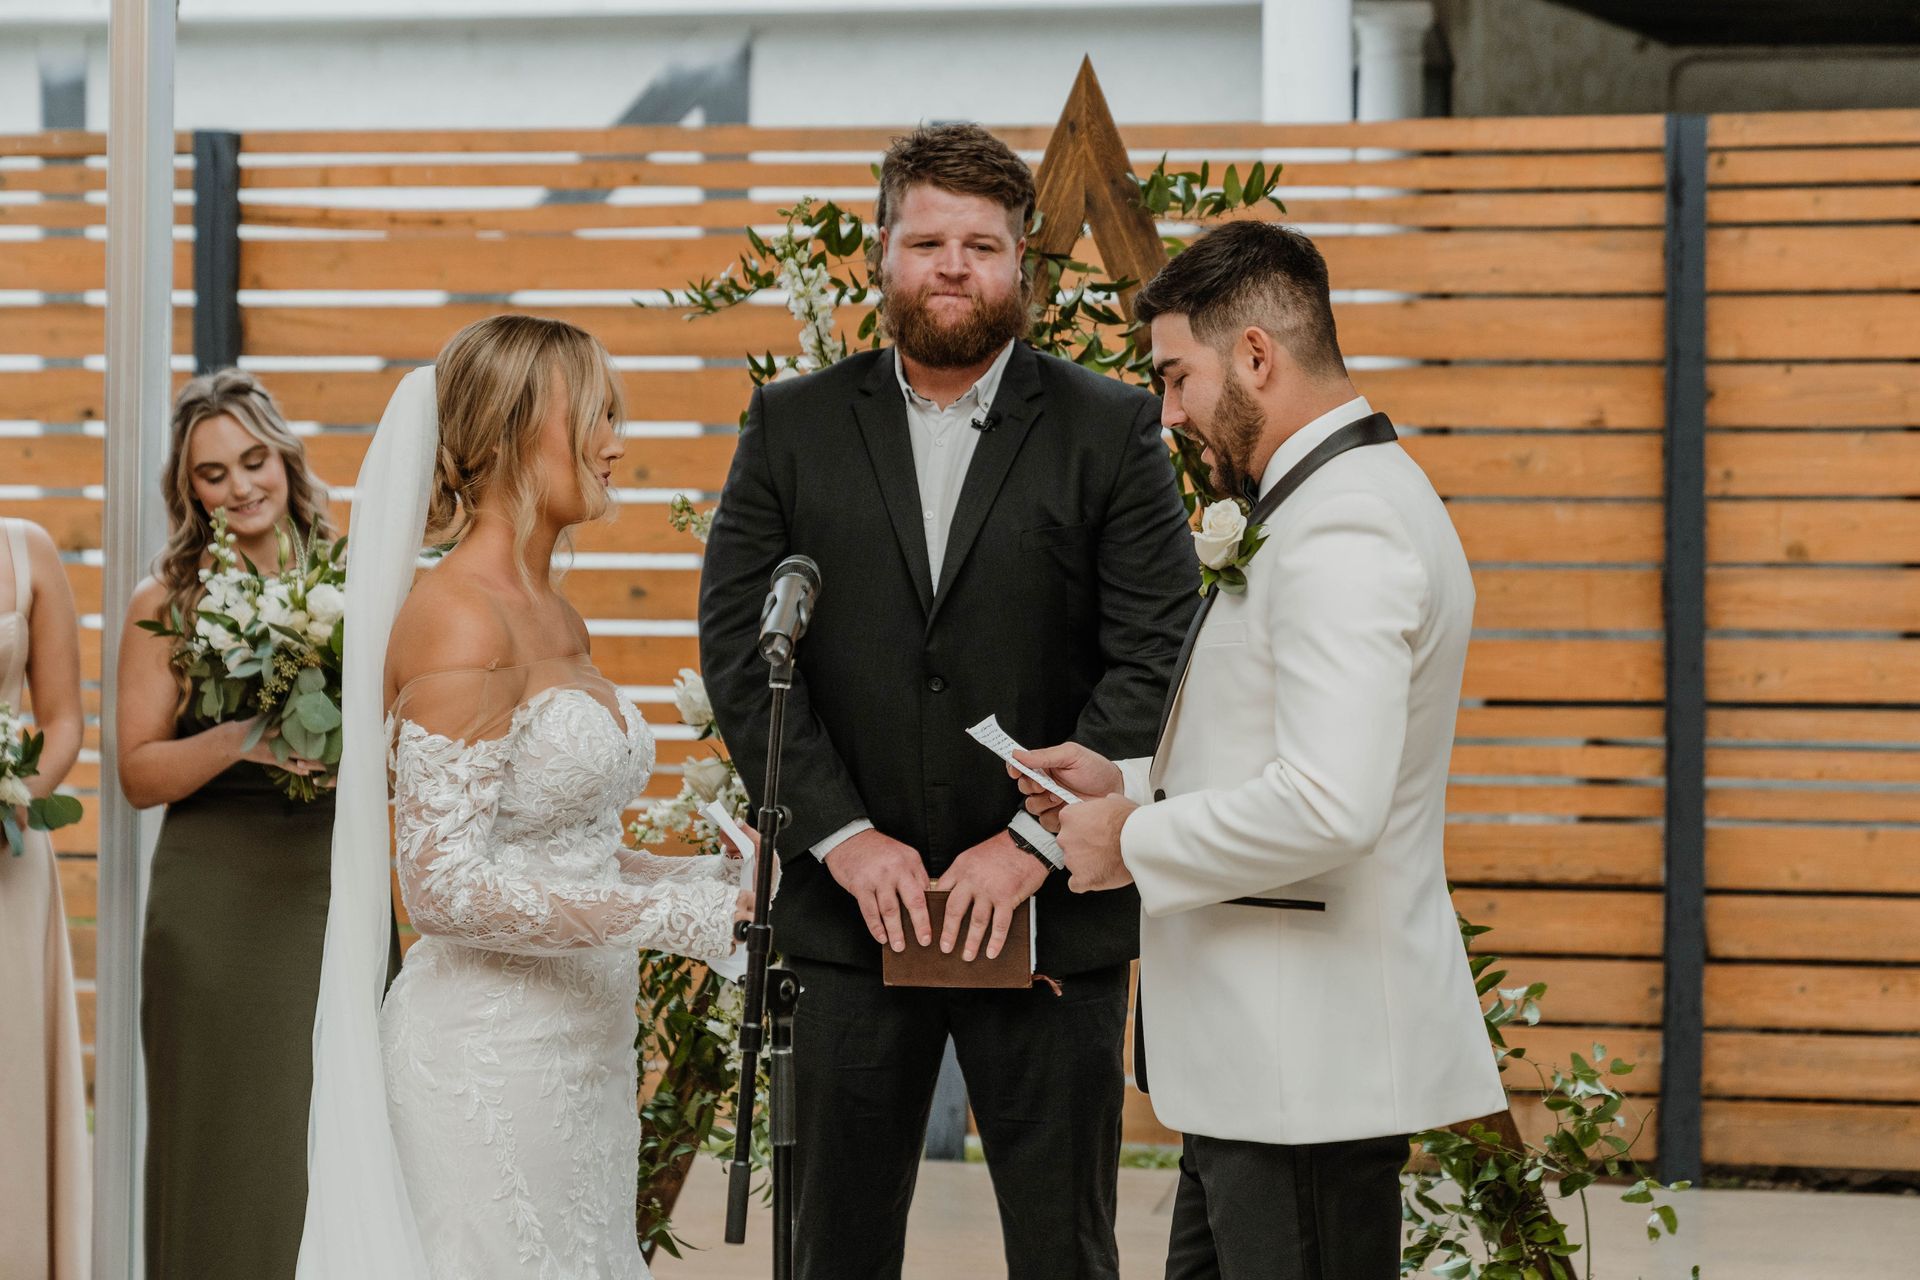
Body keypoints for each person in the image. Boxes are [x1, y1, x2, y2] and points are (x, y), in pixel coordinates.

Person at [698, 123, 1199, 1280]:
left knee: (1065, 1249)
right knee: (832, 1249)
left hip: (1047, 920)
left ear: (1023, 263)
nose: (954, 265)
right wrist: (841, 834)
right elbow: (739, 643)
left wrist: (1034, 841)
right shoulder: (791, 423)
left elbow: (1157, 651)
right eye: (928, 240)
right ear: (881, 253)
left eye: (983, 243)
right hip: (845, 919)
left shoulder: (1109, 426)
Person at [1018, 220, 1509, 1280]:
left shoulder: (1346, 529)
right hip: (1260, 1073)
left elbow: (1332, 801)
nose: (1168, 412)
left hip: (1307, 1070)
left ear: (1254, 355)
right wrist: (1126, 781)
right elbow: (1283, 749)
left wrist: (1134, 838)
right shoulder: (1326, 504)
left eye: (1176, 376)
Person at [297, 314, 751, 1280]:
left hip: (583, 1055)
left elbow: (568, 851)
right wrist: (678, 917)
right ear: (508, 435)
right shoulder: (459, 618)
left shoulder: (553, 611)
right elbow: (442, 890)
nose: (616, 442)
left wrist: (715, 875)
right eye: (594, 416)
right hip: (488, 1068)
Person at [117, 369, 347, 1279]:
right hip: (214, 896)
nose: (241, 486)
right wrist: (248, 739)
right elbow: (137, 773)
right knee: (218, 1135)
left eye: (254, 461)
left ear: (284, 457)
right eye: (213, 475)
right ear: (190, 491)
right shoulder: (165, 602)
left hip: (330, 879)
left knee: (323, 1126)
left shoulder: (350, 577)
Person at [0, 515, 88, 1280]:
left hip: (8, 860)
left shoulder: (26, 549)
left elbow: (62, 721)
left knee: (10, 1090)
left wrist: (17, 798)